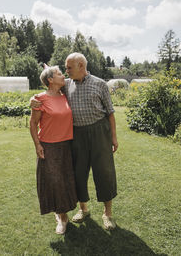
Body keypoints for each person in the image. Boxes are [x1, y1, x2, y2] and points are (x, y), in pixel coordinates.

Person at [31, 53, 118, 230]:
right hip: (77, 134)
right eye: (65, 68)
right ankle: (83, 209)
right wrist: (33, 99)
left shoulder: (100, 84)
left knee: (104, 172)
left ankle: (107, 214)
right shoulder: (66, 85)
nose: (66, 70)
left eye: (69, 67)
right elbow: (49, 90)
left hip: (99, 131)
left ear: (81, 66)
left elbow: (110, 112)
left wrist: (113, 137)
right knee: (78, 174)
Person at [29, 65, 78, 235]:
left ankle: (62, 212)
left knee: (66, 181)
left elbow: (80, 76)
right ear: (50, 80)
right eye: (58, 73)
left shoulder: (65, 95)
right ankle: (62, 218)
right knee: (55, 182)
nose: (63, 75)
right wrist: (37, 144)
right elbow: (33, 124)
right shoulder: (40, 99)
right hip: (49, 146)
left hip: (66, 145)